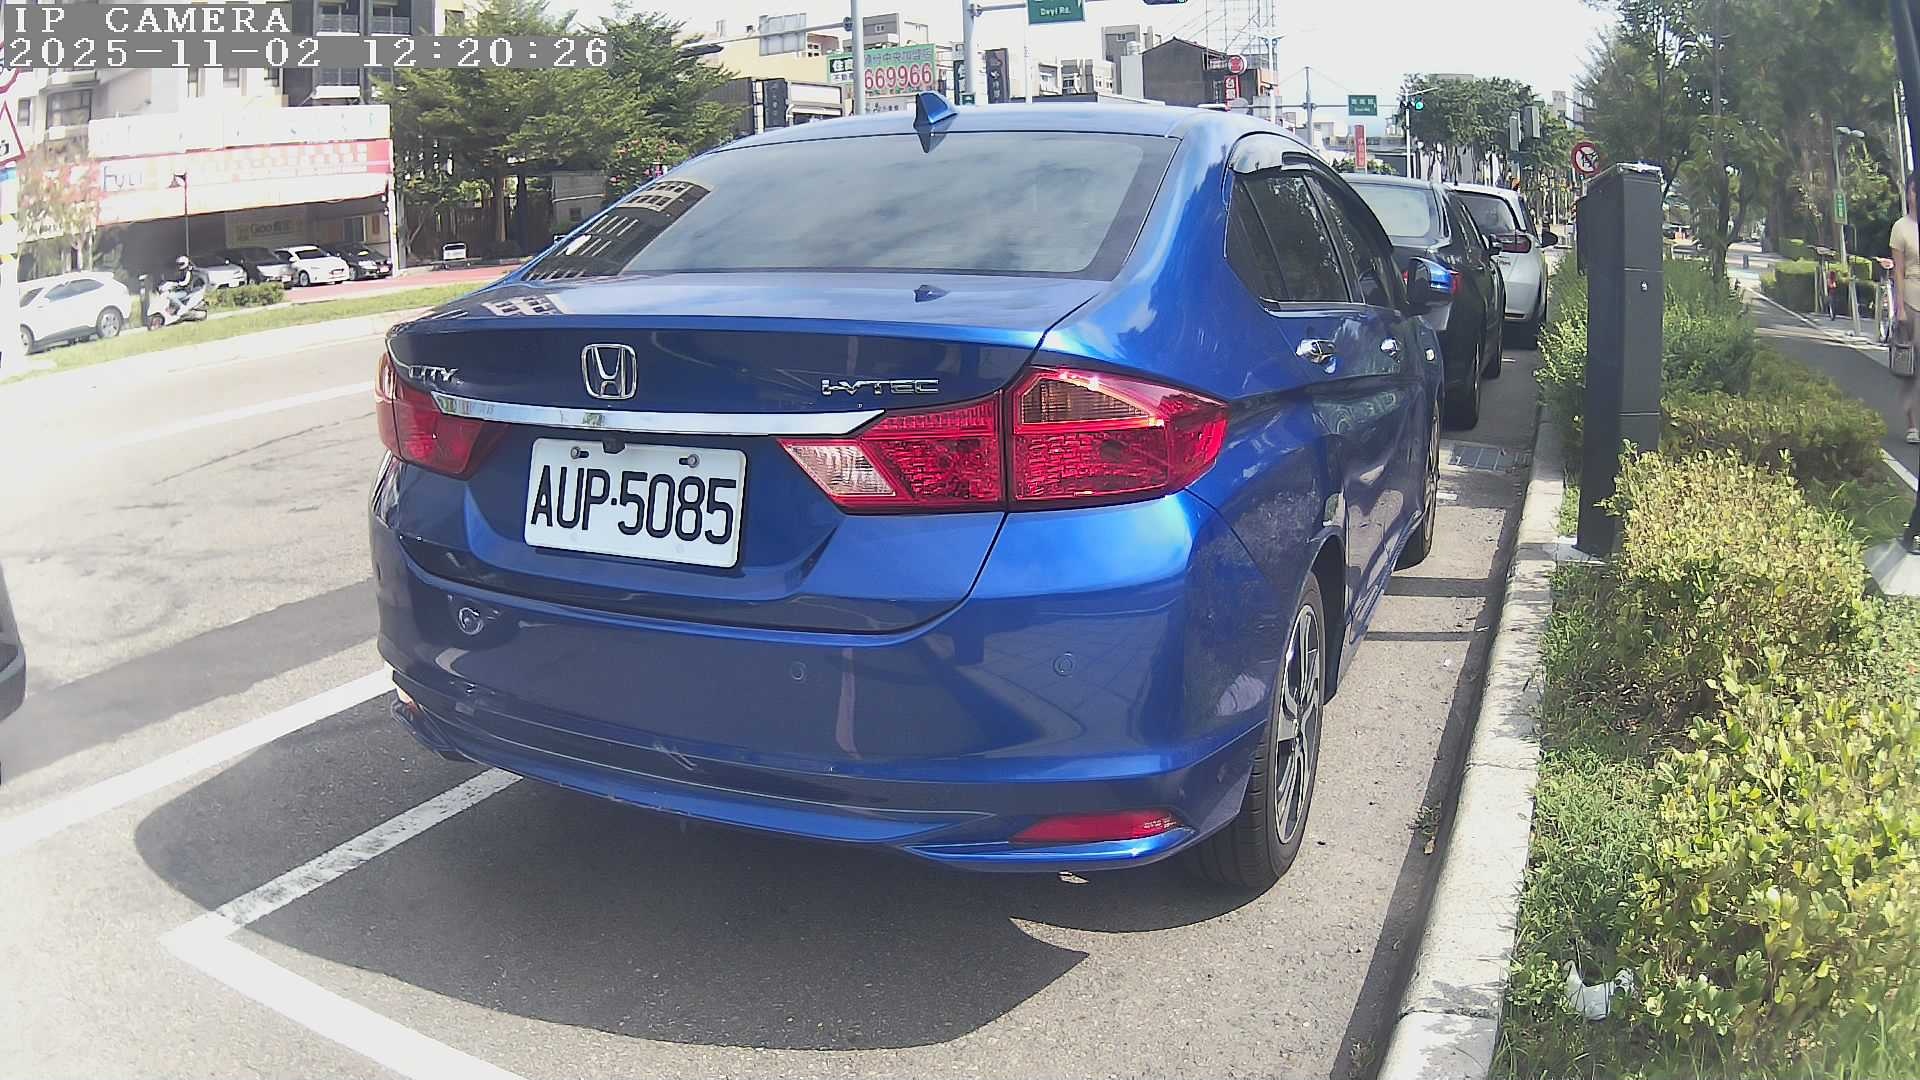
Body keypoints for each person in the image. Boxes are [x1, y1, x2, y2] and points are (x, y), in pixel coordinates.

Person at [1890, 175, 1920, 552]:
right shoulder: (1901, 228)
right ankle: (1912, 423)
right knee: (1913, 367)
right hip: (1911, 297)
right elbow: (1897, 271)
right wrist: (1898, 307)